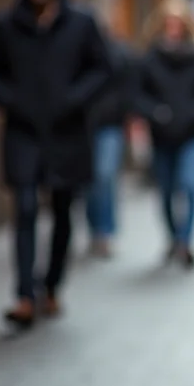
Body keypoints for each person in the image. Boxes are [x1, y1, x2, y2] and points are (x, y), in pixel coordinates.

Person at [0, 0, 110, 328]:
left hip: (66, 132)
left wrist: (74, 99)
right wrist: (10, 101)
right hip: (23, 132)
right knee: (24, 207)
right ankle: (23, 294)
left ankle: (51, 285)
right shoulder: (6, 23)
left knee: (64, 210)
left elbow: (102, 69)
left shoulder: (82, 21)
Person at [137, 0, 194, 269]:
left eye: (177, 23)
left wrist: (191, 114)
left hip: (192, 134)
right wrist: (156, 113)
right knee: (167, 191)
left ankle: (185, 242)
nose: (172, 28)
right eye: (168, 23)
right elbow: (137, 95)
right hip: (161, 136)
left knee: (190, 185)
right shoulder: (149, 58)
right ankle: (173, 238)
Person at [85, 35, 139, 258]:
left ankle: (104, 232)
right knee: (89, 180)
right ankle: (95, 229)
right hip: (82, 127)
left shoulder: (120, 53)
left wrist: (128, 116)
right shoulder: (81, 55)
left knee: (104, 176)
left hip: (110, 125)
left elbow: (129, 88)